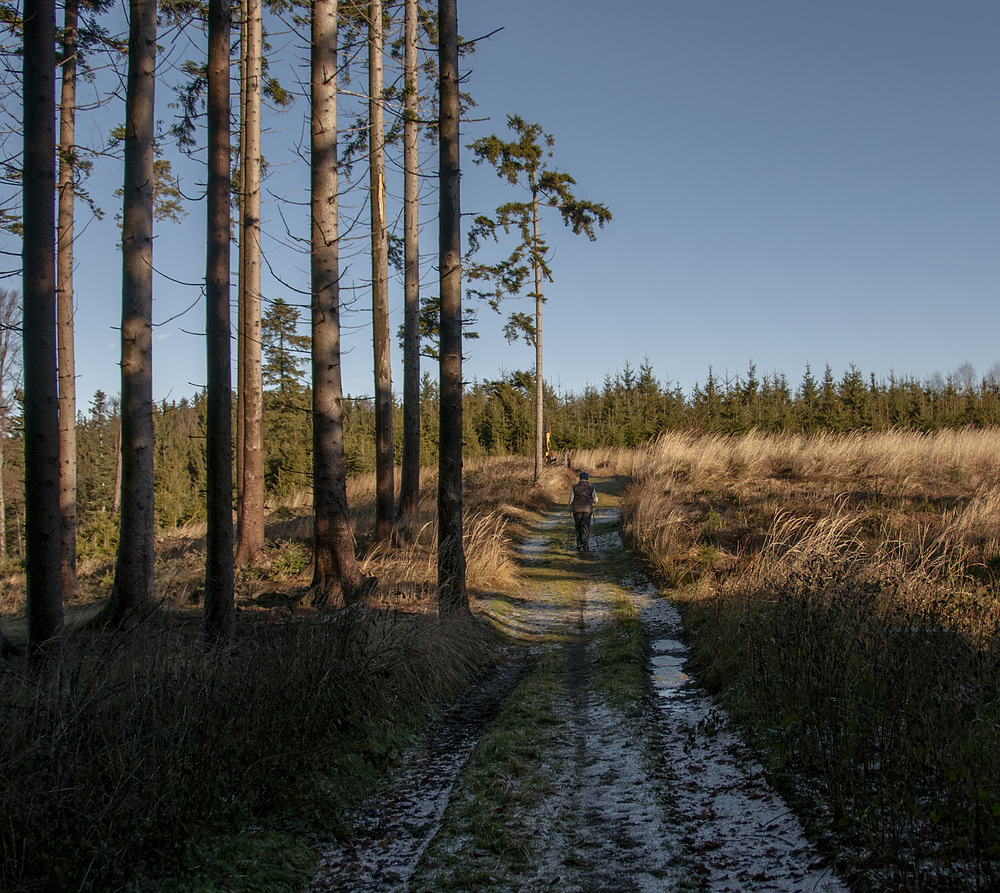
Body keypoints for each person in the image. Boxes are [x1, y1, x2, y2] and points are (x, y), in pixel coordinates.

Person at [569, 471, 598, 552]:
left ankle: (579, 544)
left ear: (579, 478)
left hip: (577, 510)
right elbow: (595, 499)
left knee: (578, 526)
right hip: (587, 510)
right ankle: (585, 544)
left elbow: (571, 499)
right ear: (587, 478)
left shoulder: (574, 487)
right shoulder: (591, 487)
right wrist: (593, 503)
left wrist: (570, 506)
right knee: (586, 527)